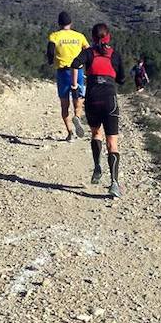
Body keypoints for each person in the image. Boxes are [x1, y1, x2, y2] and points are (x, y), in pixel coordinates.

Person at [70, 23, 127, 197]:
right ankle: (114, 184)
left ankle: (97, 167)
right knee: (112, 143)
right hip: (110, 100)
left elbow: (75, 63)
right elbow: (122, 80)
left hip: (93, 99)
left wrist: (75, 85)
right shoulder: (115, 55)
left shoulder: (88, 53)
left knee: (96, 133)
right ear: (108, 36)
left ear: (93, 37)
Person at [46, 11, 89, 141]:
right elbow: (88, 50)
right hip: (79, 71)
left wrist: (50, 61)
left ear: (59, 23)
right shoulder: (79, 36)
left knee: (64, 103)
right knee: (79, 97)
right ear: (71, 23)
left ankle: (70, 133)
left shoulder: (54, 36)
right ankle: (77, 115)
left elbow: (50, 50)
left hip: (63, 72)